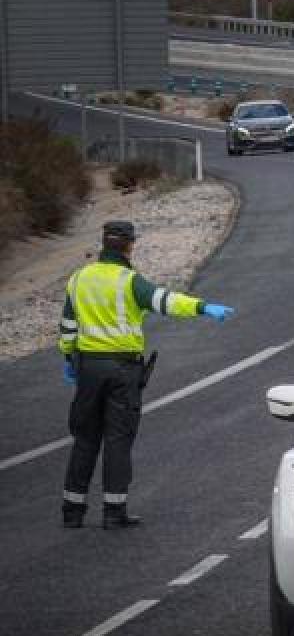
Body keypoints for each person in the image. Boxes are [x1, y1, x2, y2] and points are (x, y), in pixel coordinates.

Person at [58, 221, 234, 529]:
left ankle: (72, 511)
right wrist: (204, 307)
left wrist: (69, 359)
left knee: (85, 438)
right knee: (117, 439)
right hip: (122, 370)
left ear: (104, 244)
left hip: (88, 368)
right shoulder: (129, 281)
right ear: (129, 246)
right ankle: (114, 512)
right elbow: (167, 302)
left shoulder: (79, 278)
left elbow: (68, 326)